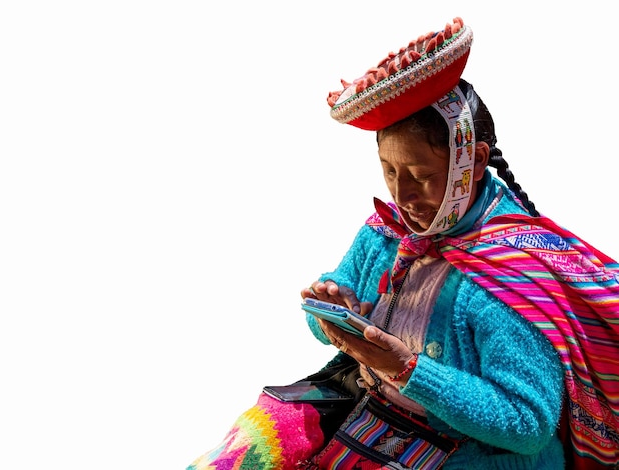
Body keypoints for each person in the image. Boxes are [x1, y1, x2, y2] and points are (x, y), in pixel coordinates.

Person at [187, 17, 619, 469]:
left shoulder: (514, 277)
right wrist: (334, 307)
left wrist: (408, 369)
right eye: (390, 172)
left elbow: (527, 424)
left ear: (472, 162)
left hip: (473, 450)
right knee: (246, 453)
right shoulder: (388, 230)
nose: (402, 195)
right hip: (371, 401)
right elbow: (335, 308)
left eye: (422, 177)